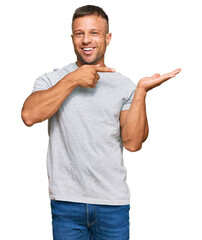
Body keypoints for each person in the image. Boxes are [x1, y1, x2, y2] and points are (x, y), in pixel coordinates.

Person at [21, 5, 181, 240]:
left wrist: (141, 92)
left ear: (107, 38)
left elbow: (133, 143)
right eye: (79, 33)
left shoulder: (123, 85)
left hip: (112, 204)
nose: (86, 40)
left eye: (94, 33)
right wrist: (73, 79)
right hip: (66, 203)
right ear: (72, 38)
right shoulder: (52, 79)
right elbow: (29, 115)